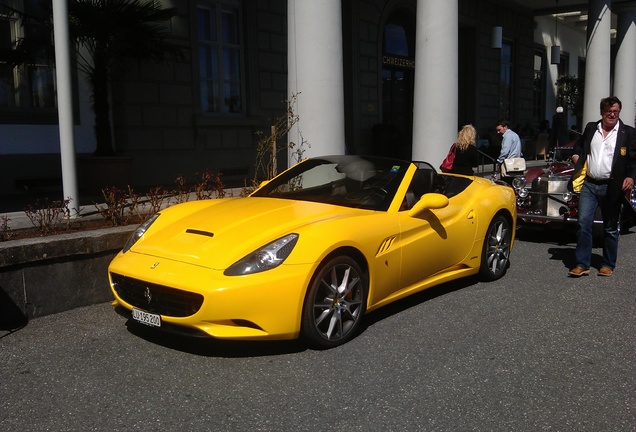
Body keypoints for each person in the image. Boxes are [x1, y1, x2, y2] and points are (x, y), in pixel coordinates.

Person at [567, 96, 636, 277]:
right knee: (583, 223)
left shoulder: (627, 133)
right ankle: (582, 264)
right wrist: (576, 158)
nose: (612, 115)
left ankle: (607, 264)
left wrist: (631, 177)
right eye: (608, 111)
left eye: (615, 111)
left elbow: (633, 160)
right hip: (589, 184)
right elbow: (579, 147)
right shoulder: (591, 128)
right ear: (602, 112)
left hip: (612, 186)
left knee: (611, 226)